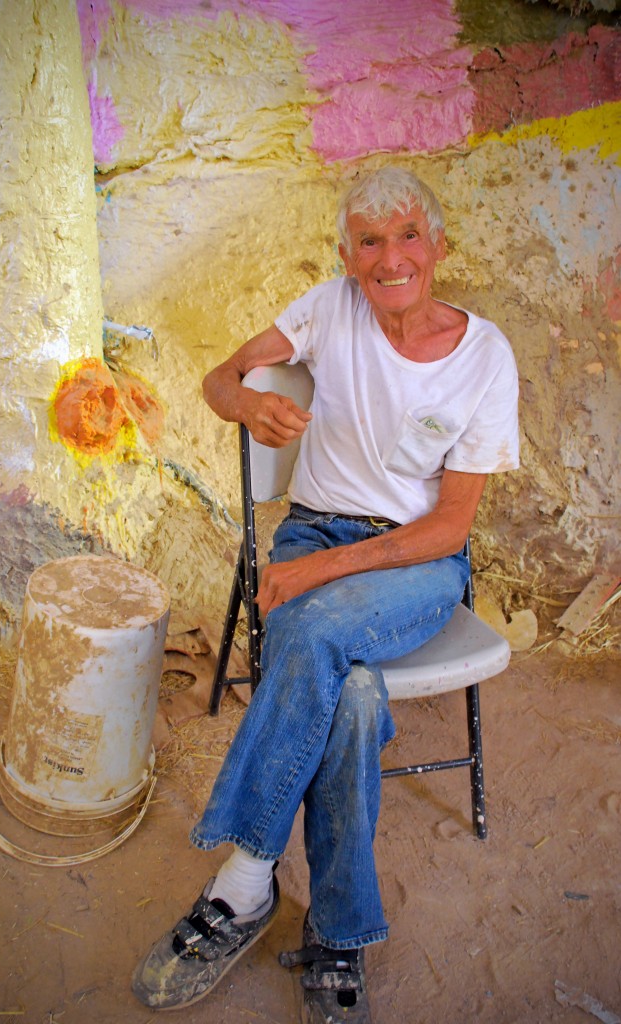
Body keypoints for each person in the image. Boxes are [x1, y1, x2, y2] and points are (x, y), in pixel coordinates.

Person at [131, 166, 519, 1022]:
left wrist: (314, 573)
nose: (390, 258)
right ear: (347, 255)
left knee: (310, 639)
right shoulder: (328, 306)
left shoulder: (484, 359)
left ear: (439, 245)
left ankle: (241, 883)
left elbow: (448, 528)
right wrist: (245, 406)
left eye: (408, 235)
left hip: (412, 566)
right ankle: (340, 931)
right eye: (369, 242)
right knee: (346, 695)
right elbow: (220, 378)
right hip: (314, 528)